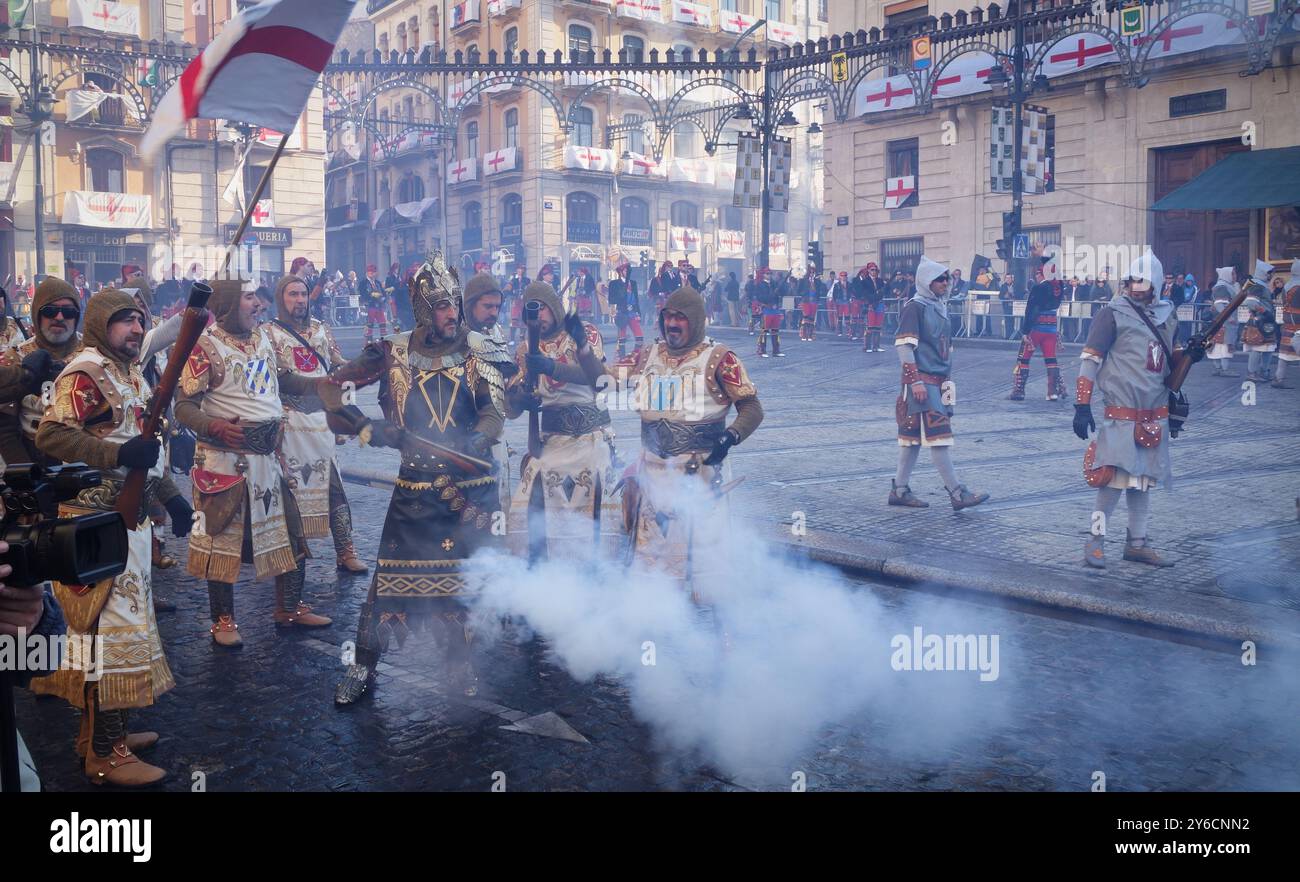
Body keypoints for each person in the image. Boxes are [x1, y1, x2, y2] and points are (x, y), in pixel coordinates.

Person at [326, 255, 506, 704]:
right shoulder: (392, 350)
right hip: (414, 490)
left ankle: (459, 665)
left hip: (467, 494)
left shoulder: (478, 348)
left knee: (461, 586)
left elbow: (493, 411)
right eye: (442, 305)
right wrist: (368, 428)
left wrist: (478, 443)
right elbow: (333, 390)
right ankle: (363, 668)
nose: (452, 314)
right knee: (387, 582)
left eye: (454, 305)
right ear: (424, 309)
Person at [32, 289, 174, 786]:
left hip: (127, 523)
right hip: (96, 524)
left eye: (140, 320)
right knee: (108, 638)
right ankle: (104, 754)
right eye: (123, 321)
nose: (136, 328)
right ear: (98, 325)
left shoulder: (126, 371)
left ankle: (103, 732)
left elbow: (143, 443)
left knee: (115, 636)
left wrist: (169, 497)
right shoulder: (86, 371)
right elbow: (50, 436)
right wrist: (115, 458)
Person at [176, 279, 330, 648]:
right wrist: (212, 426)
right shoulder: (204, 347)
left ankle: (289, 607)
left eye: (259, 298)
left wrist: (323, 383)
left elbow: (283, 378)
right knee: (221, 543)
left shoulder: (263, 338)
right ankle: (223, 620)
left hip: (270, 459)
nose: (259, 304)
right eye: (250, 298)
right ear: (229, 303)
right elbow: (183, 406)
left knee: (293, 533)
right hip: (226, 463)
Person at [624, 285, 763, 589]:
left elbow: (751, 408)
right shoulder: (649, 353)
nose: (672, 324)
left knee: (702, 566)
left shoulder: (720, 358)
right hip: (653, 473)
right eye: (668, 317)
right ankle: (652, 623)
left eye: (681, 318)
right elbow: (606, 375)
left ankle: (713, 630)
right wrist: (574, 357)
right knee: (651, 560)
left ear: (696, 320)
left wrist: (729, 438)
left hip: (698, 475)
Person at [1074, 250, 1202, 568]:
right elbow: (1090, 360)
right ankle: (1095, 541)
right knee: (1112, 481)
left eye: (1141, 281)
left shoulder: (1168, 316)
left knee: (1142, 481)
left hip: (1154, 412)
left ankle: (1137, 543)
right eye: (1131, 280)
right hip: (1121, 413)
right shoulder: (1111, 313)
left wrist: (1191, 356)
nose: (1134, 286)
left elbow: (1173, 367)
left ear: (1156, 284)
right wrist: (1082, 404)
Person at [264, 274, 368, 575]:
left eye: (303, 294)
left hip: (321, 424)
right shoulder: (268, 334)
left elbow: (338, 366)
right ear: (281, 298)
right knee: (288, 495)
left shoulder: (322, 330)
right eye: (292, 294)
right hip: (289, 424)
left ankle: (345, 550)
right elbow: (274, 378)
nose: (299, 300)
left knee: (333, 489)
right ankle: (288, 555)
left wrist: (362, 368)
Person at [505, 279, 616, 559]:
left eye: (542, 308)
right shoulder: (523, 350)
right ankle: (538, 571)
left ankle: (597, 571)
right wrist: (520, 398)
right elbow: (512, 408)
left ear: (554, 308)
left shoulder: (585, 333)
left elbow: (597, 378)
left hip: (591, 438)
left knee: (596, 512)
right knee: (527, 503)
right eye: (533, 311)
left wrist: (553, 367)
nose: (538, 316)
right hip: (551, 441)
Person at [889, 256, 989, 512]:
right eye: (940, 279)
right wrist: (915, 382)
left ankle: (899, 490)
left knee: (912, 440)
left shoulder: (939, 306)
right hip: (922, 381)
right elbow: (904, 346)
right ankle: (957, 493)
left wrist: (948, 384)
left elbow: (945, 350)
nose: (946, 283)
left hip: (940, 380)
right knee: (939, 437)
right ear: (926, 282)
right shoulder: (915, 307)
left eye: (947, 278)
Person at [0, 278, 84, 469]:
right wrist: (27, 476)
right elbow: (5, 430)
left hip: (85, 463)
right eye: (50, 311)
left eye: (69, 312)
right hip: (32, 458)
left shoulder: (93, 355)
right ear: (37, 314)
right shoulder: (17, 356)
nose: (60, 318)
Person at [1009, 251, 1068, 401]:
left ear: (1041, 274)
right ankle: (1052, 392)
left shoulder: (1038, 288)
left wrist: (1025, 330)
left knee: (1024, 359)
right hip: (1052, 328)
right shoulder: (1059, 287)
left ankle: (1019, 391)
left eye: (1037, 273)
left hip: (1036, 329)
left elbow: (1031, 310)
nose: (1036, 276)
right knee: (1051, 359)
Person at [1242, 259, 1278, 382]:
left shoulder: (1260, 284)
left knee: (1269, 346)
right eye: (1269, 273)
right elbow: (1250, 302)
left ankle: (1264, 371)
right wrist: (1264, 311)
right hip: (1259, 321)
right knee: (1257, 347)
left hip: (1267, 321)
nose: (1271, 275)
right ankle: (1252, 373)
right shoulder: (1256, 284)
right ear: (1263, 273)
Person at [1205, 266, 1240, 377]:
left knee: (1218, 346)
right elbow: (1219, 303)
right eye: (1233, 274)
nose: (1235, 276)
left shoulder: (1226, 286)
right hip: (1224, 323)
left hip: (1221, 322)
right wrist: (1227, 317)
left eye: (1235, 274)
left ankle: (1219, 368)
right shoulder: (1222, 287)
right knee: (1222, 345)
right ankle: (1223, 369)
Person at [608, 260, 643, 359]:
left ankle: (635, 356)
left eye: (628, 270)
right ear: (620, 271)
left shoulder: (633, 283)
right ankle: (622, 358)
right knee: (622, 339)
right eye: (625, 270)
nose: (627, 272)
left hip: (632, 313)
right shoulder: (614, 283)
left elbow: (636, 299)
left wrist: (638, 312)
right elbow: (611, 299)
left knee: (640, 337)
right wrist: (622, 297)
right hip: (622, 313)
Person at [1274, 259, 1300, 388]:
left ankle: (1279, 379)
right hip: (1298, 322)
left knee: (1284, 355)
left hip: (1288, 322)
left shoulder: (1287, 285)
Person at [754, 267, 785, 358]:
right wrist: (769, 296)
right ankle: (762, 350)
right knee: (764, 331)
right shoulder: (760, 285)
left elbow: (781, 293)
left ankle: (776, 350)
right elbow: (760, 297)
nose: (769, 275)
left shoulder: (774, 284)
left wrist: (781, 287)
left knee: (775, 331)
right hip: (766, 310)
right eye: (767, 273)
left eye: (770, 273)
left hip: (775, 309)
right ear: (763, 275)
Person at [856, 263, 886, 352]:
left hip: (879, 304)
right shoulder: (864, 282)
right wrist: (871, 300)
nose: (874, 272)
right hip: (870, 304)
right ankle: (867, 346)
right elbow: (864, 294)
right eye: (872, 270)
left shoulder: (880, 281)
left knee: (878, 326)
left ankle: (876, 346)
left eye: (875, 270)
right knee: (870, 326)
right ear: (868, 270)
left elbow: (884, 292)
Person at [360, 264, 388, 343]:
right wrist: (371, 295)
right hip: (369, 305)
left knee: (382, 323)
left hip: (379, 305)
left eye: (373, 272)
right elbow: (363, 293)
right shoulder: (363, 283)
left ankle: (384, 340)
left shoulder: (378, 282)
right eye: (370, 272)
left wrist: (384, 298)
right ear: (367, 273)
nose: (372, 274)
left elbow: (383, 292)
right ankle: (369, 341)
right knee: (370, 324)